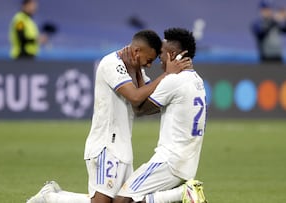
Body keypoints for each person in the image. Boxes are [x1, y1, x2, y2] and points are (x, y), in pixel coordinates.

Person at [26, 29, 192, 203]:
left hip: (123, 147)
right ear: (136, 51)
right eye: (148, 61)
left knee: (126, 201)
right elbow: (135, 97)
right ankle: (49, 197)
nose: (149, 65)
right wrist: (167, 74)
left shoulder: (136, 70)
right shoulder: (111, 64)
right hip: (106, 144)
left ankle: (51, 196)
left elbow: (144, 104)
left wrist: (138, 74)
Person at [113, 27, 207, 203]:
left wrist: (136, 70)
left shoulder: (173, 81)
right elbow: (149, 103)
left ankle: (182, 194)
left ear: (173, 55)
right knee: (140, 199)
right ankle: (177, 197)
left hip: (169, 161)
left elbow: (139, 108)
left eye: (162, 54)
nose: (159, 59)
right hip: (187, 163)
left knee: (122, 200)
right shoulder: (196, 80)